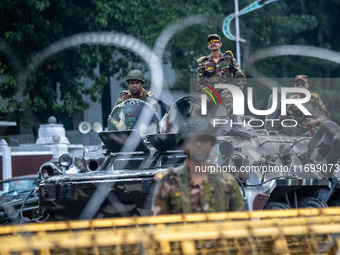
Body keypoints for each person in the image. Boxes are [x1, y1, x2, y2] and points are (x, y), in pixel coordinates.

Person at [151, 117, 244, 215]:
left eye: (204, 140)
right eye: (192, 140)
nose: (199, 144)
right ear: (183, 144)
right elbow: (159, 224)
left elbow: (241, 222)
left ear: (212, 143)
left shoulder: (227, 179)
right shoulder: (168, 181)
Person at [197, 34, 247, 119]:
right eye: (210, 42)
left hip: (226, 89)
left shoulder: (229, 59)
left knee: (227, 95)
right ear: (208, 46)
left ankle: (234, 121)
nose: (213, 43)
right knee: (200, 101)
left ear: (220, 44)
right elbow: (200, 83)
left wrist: (238, 89)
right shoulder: (204, 62)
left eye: (216, 41)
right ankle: (201, 125)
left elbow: (240, 76)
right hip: (211, 91)